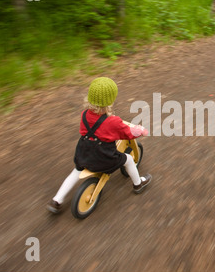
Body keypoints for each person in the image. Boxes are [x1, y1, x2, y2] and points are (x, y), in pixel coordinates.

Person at [47, 77, 152, 214]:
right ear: (110, 101)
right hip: (103, 158)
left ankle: (57, 200)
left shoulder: (84, 115)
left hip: (83, 154)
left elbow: (85, 131)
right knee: (129, 159)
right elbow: (127, 133)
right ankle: (138, 184)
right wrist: (140, 130)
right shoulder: (113, 121)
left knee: (75, 172)